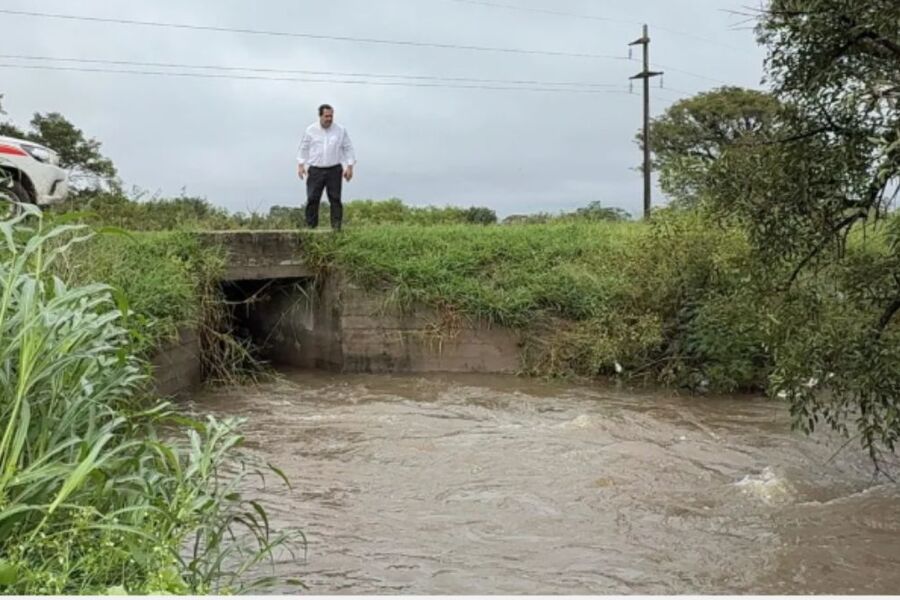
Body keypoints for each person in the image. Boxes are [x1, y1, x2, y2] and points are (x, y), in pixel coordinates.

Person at [296, 104, 356, 231]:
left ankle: (336, 228)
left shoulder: (340, 130)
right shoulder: (310, 130)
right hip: (315, 169)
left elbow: (348, 148)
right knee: (312, 198)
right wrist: (301, 165)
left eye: (331, 116)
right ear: (320, 116)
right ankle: (311, 228)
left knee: (335, 199)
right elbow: (304, 148)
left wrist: (349, 166)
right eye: (326, 116)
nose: (329, 119)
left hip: (334, 169)